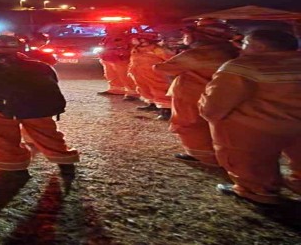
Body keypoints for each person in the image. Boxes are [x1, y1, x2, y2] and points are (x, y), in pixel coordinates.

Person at [199, 30, 301, 204]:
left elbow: (216, 104)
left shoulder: (243, 67)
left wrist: (207, 112)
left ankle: (258, 192)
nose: (241, 48)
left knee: (250, 162)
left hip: (257, 127)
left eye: (245, 44)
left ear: (260, 46)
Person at [0, 35, 79, 173]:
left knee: (2, 137)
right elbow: (52, 82)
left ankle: (13, 165)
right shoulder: (39, 64)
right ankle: (64, 159)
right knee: (47, 134)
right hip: (38, 107)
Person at [153, 19, 239, 165]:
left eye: (188, 34)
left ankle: (202, 156)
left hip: (193, 95)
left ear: (200, 36)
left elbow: (163, 68)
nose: (185, 37)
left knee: (191, 124)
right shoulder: (230, 50)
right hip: (219, 95)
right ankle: (220, 155)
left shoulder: (197, 54)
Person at [127, 32, 175, 120]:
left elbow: (171, 60)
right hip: (139, 74)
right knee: (144, 88)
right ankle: (153, 104)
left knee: (160, 90)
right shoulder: (136, 49)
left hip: (155, 74)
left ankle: (167, 110)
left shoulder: (157, 49)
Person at [97, 26, 138, 99]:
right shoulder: (107, 38)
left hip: (120, 59)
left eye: (109, 28)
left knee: (125, 75)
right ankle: (116, 89)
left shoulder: (126, 38)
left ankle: (132, 91)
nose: (106, 30)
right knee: (111, 75)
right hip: (108, 59)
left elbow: (130, 49)